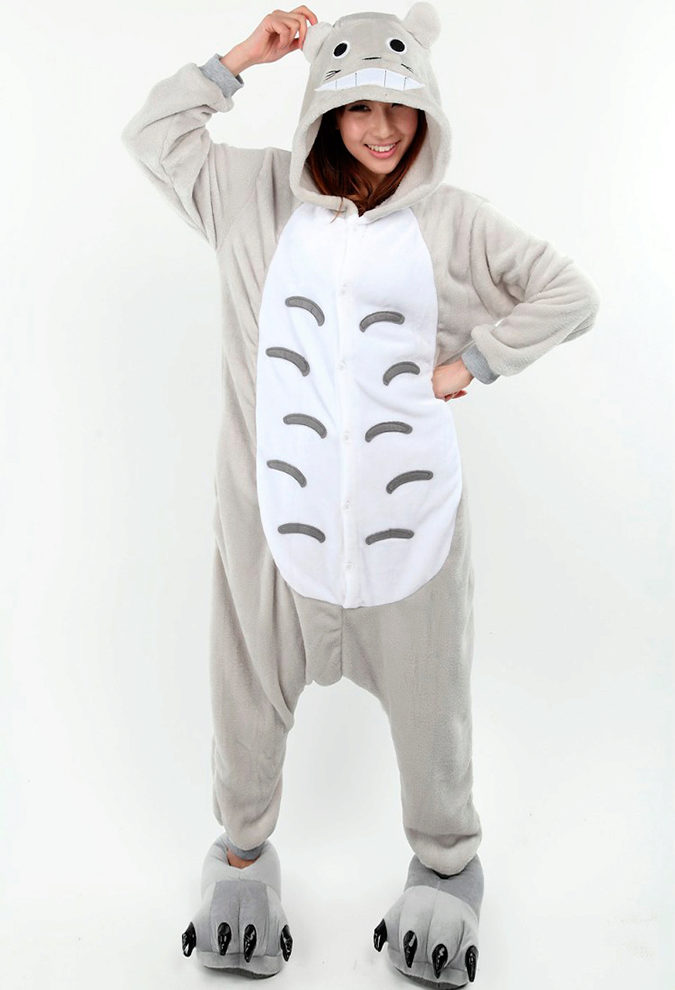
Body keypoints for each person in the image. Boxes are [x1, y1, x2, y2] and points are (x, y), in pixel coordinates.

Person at [120, 3, 600, 985]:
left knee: (434, 722)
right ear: (323, 111)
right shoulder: (251, 196)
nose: (382, 130)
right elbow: (153, 135)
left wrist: (474, 361)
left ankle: (447, 873)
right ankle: (240, 866)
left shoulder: (451, 222)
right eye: (358, 108)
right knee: (244, 710)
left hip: (408, 531)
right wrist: (245, 56)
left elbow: (568, 293)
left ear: (427, 110)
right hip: (273, 533)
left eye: (400, 107)